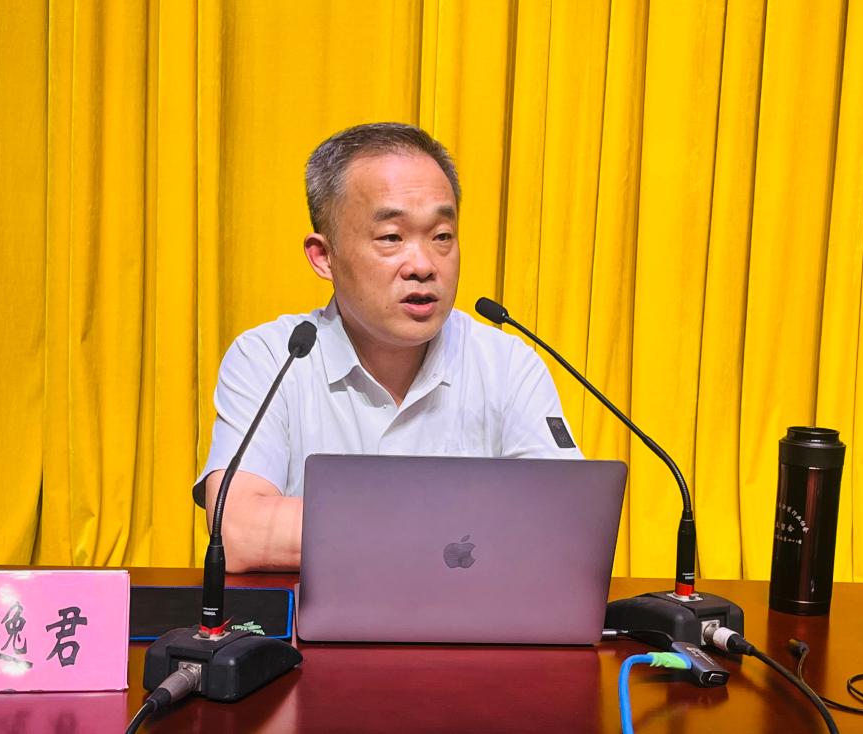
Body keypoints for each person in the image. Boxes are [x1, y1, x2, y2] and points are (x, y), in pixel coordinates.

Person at [197, 122, 581, 572]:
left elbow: (563, 524)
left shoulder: (507, 364)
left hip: (467, 615)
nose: (423, 265)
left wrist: (356, 528)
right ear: (324, 256)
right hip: (320, 618)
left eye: (442, 236)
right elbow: (238, 530)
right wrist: (455, 530)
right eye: (391, 238)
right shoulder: (271, 357)